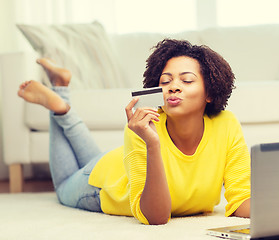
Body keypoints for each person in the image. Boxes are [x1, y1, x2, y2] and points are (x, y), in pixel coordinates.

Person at [17, 39, 250, 225]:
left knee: (90, 160)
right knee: (64, 186)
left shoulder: (226, 124)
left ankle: (60, 87)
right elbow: (155, 217)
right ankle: (60, 106)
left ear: (210, 93)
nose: (174, 86)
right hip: (101, 186)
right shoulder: (144, 126)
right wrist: (152, 143)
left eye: (187, 80)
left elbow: (241, 199)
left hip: (116, 164)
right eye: (166, 81)